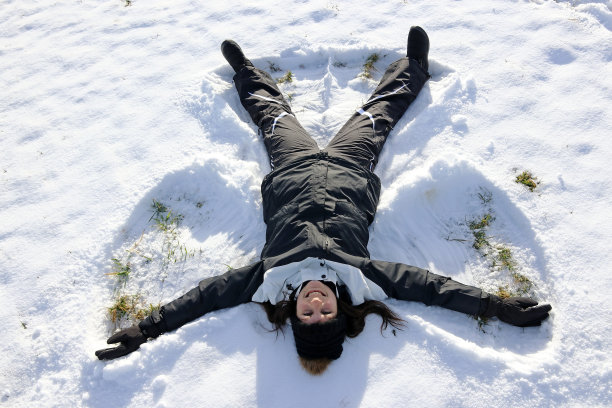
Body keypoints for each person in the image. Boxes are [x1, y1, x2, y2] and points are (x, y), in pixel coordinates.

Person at [95, 27, 552, 374]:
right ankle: (414, 67)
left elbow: (200, 298)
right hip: (351, 169)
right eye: (325, 312)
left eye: (307, 313)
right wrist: (496, 307)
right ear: (340, 310)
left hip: (291, 169)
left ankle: (244, 73)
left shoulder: (266, 280)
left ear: (292, 312)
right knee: (376, 116)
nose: (315, 302)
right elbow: (431, 288)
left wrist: (144, 330)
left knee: (274, 116)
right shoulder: (363, 278)